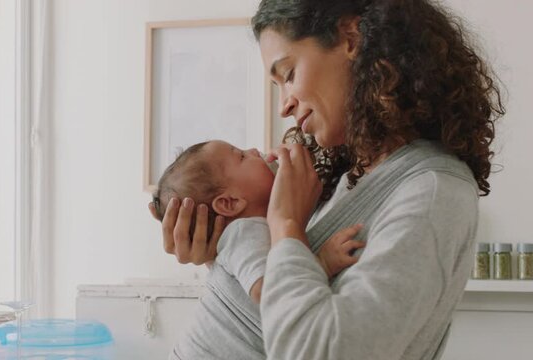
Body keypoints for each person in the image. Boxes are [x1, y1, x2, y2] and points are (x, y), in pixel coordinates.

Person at [150, 0, 504, 359]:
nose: (283, 106)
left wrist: (286, 224)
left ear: (351, 38)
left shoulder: (432, 192)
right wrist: (215, 248)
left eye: (288, 74)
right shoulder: (342, 176)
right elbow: (273, 300)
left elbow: (317, 349)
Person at [150, 140, 363, 359]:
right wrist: (322, 263)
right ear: (230, 203)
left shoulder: (256, 233)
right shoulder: (246, 232)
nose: (253, 150)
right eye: (241, 156)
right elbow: (270, 291)